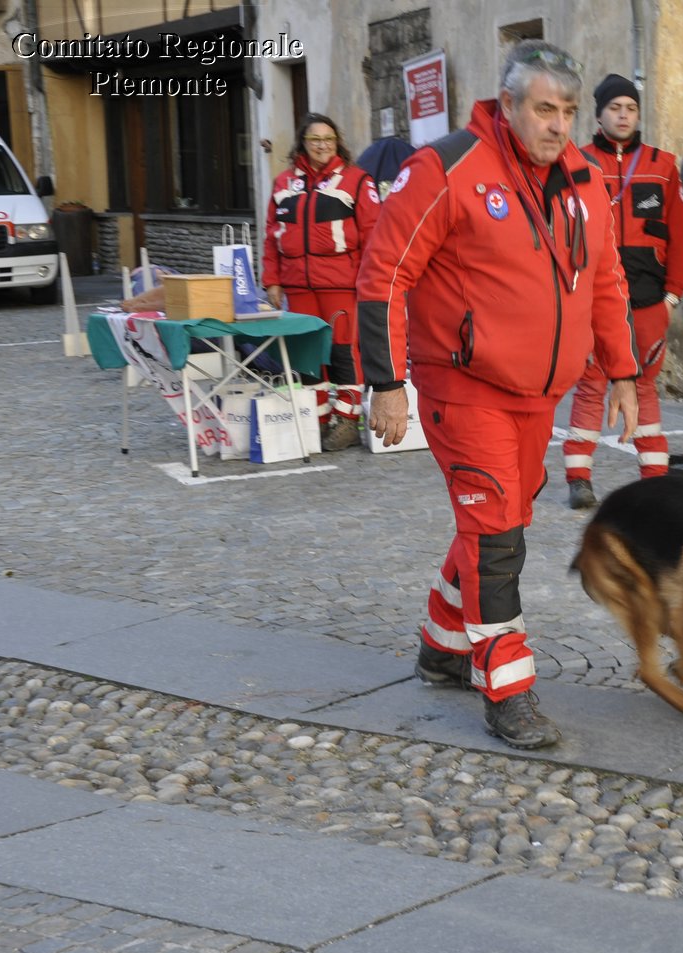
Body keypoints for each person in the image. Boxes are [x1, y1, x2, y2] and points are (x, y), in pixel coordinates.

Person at [356, 40, 640, 749]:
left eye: (569, 111)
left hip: (536, 392)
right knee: (494, 533)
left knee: (502, 520)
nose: (559, 125)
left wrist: (624, 371)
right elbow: (384, 275)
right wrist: (387, 385)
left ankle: (442, 640)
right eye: (545, 109)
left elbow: (606, 284)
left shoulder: (585, 180)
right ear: (508, 106)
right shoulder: (448, 168)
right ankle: (507, 687)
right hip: (463, 383)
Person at [561, 73, 683, 509]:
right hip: (597, 304)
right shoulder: (575, 164)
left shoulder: (662, 165)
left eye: (631, 108)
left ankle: (655, 479)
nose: (623, 115)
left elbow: (679, 233)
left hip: (650, 301)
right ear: (598, 114)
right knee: (592, 385)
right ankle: (579, 478)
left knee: (646, 387)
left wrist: (673, 293)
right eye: (615, 108)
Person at [262, 113, 381, 451]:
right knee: (308, 357)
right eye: (315, 139)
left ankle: (347, 419)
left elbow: (375, 235)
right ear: (303, 143)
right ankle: (317, 419)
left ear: (337, 141)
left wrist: (369, 280)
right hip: (297, 287)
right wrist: (272, 281)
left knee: (344, 352)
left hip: (342, 285)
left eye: (328, 138)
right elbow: (272, 238)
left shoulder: (358, 181)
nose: (322, 145)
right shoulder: (283, 183)